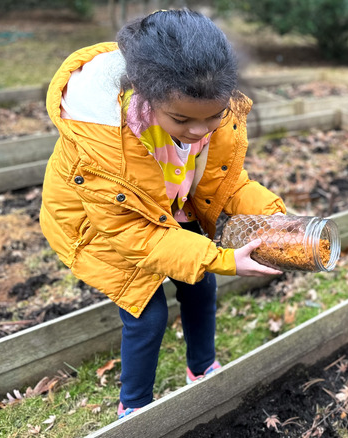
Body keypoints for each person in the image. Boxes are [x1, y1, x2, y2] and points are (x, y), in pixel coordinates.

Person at [39, 9, 286, 419]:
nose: (200, 130)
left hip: (167, 205)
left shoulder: (205, 110)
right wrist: (224, 258)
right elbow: (135, 232)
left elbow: (227, 183)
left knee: (201, 284)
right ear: (143, 94)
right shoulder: (106, 146)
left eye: (214, 116)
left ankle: (202, 366)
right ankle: (134, 406)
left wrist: (274, 216)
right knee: (147, 313)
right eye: (183, 120)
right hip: (103, 225)